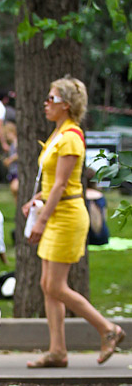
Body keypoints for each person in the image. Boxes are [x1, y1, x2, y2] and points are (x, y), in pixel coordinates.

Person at [21, 76, 124, 368]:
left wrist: (40, 220)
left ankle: (108, 329)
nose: (46, 103)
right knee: (46, 284)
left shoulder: (71, 137)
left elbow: (62, 185)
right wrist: (36, 201)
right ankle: (57, 351)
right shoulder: (58, 134)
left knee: (56, 286)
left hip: (65, 216)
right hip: (55, 212)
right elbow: (51, 183)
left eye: (51, 99)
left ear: (66, 105)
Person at [85, 167, 110, 246]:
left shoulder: (80, 196)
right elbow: (105, 217)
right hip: (102, 237)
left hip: (85, 238)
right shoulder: (100, 196)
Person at [2, 121, 18, 201]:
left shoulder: (17, 143)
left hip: (17, 171)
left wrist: (10, 160)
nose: (6, 137)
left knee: (14, 188)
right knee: (13, 192)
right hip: (12, 171)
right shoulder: (11, 145)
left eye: (7, 134)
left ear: (13, 132)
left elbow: (19, 154)